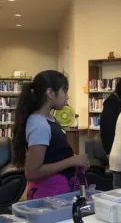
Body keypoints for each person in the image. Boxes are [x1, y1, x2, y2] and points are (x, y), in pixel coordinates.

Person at [12, 70, 89, 200]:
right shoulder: (39, 123)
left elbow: (52, 156)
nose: (67, 97)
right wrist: (71, 161)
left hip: (59, 191)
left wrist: (75, 159)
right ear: (50, 93)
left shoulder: (50, 119)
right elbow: (32, 172)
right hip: (48, 194)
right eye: (64, 91)